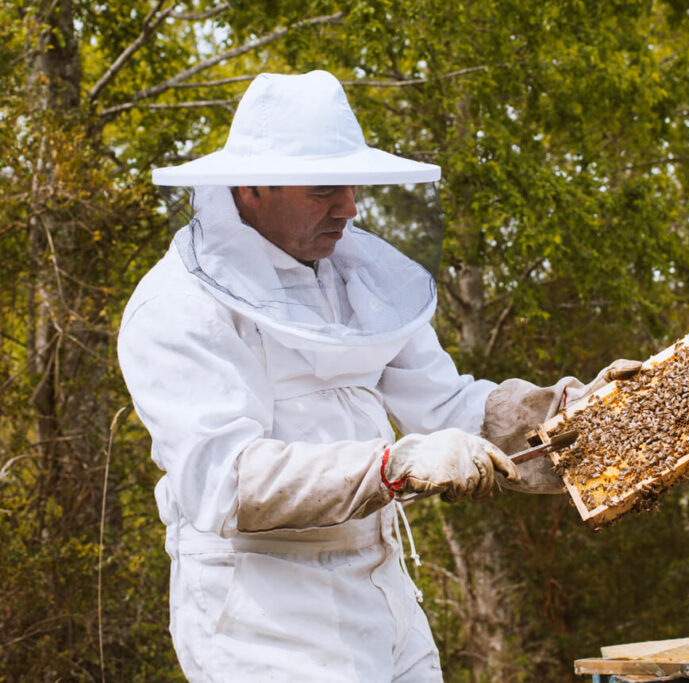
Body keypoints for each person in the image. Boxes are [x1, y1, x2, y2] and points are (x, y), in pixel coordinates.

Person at [118, 70, 639, 681]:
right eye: (323, 190)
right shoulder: (179, 307)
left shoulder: (355, 273)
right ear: (251, 187)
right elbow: (226, 484)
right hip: (260, 618)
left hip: (383, 591)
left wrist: (568, 416)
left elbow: (446, 405)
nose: (349, 207)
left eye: (352, 186)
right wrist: (394, 466)